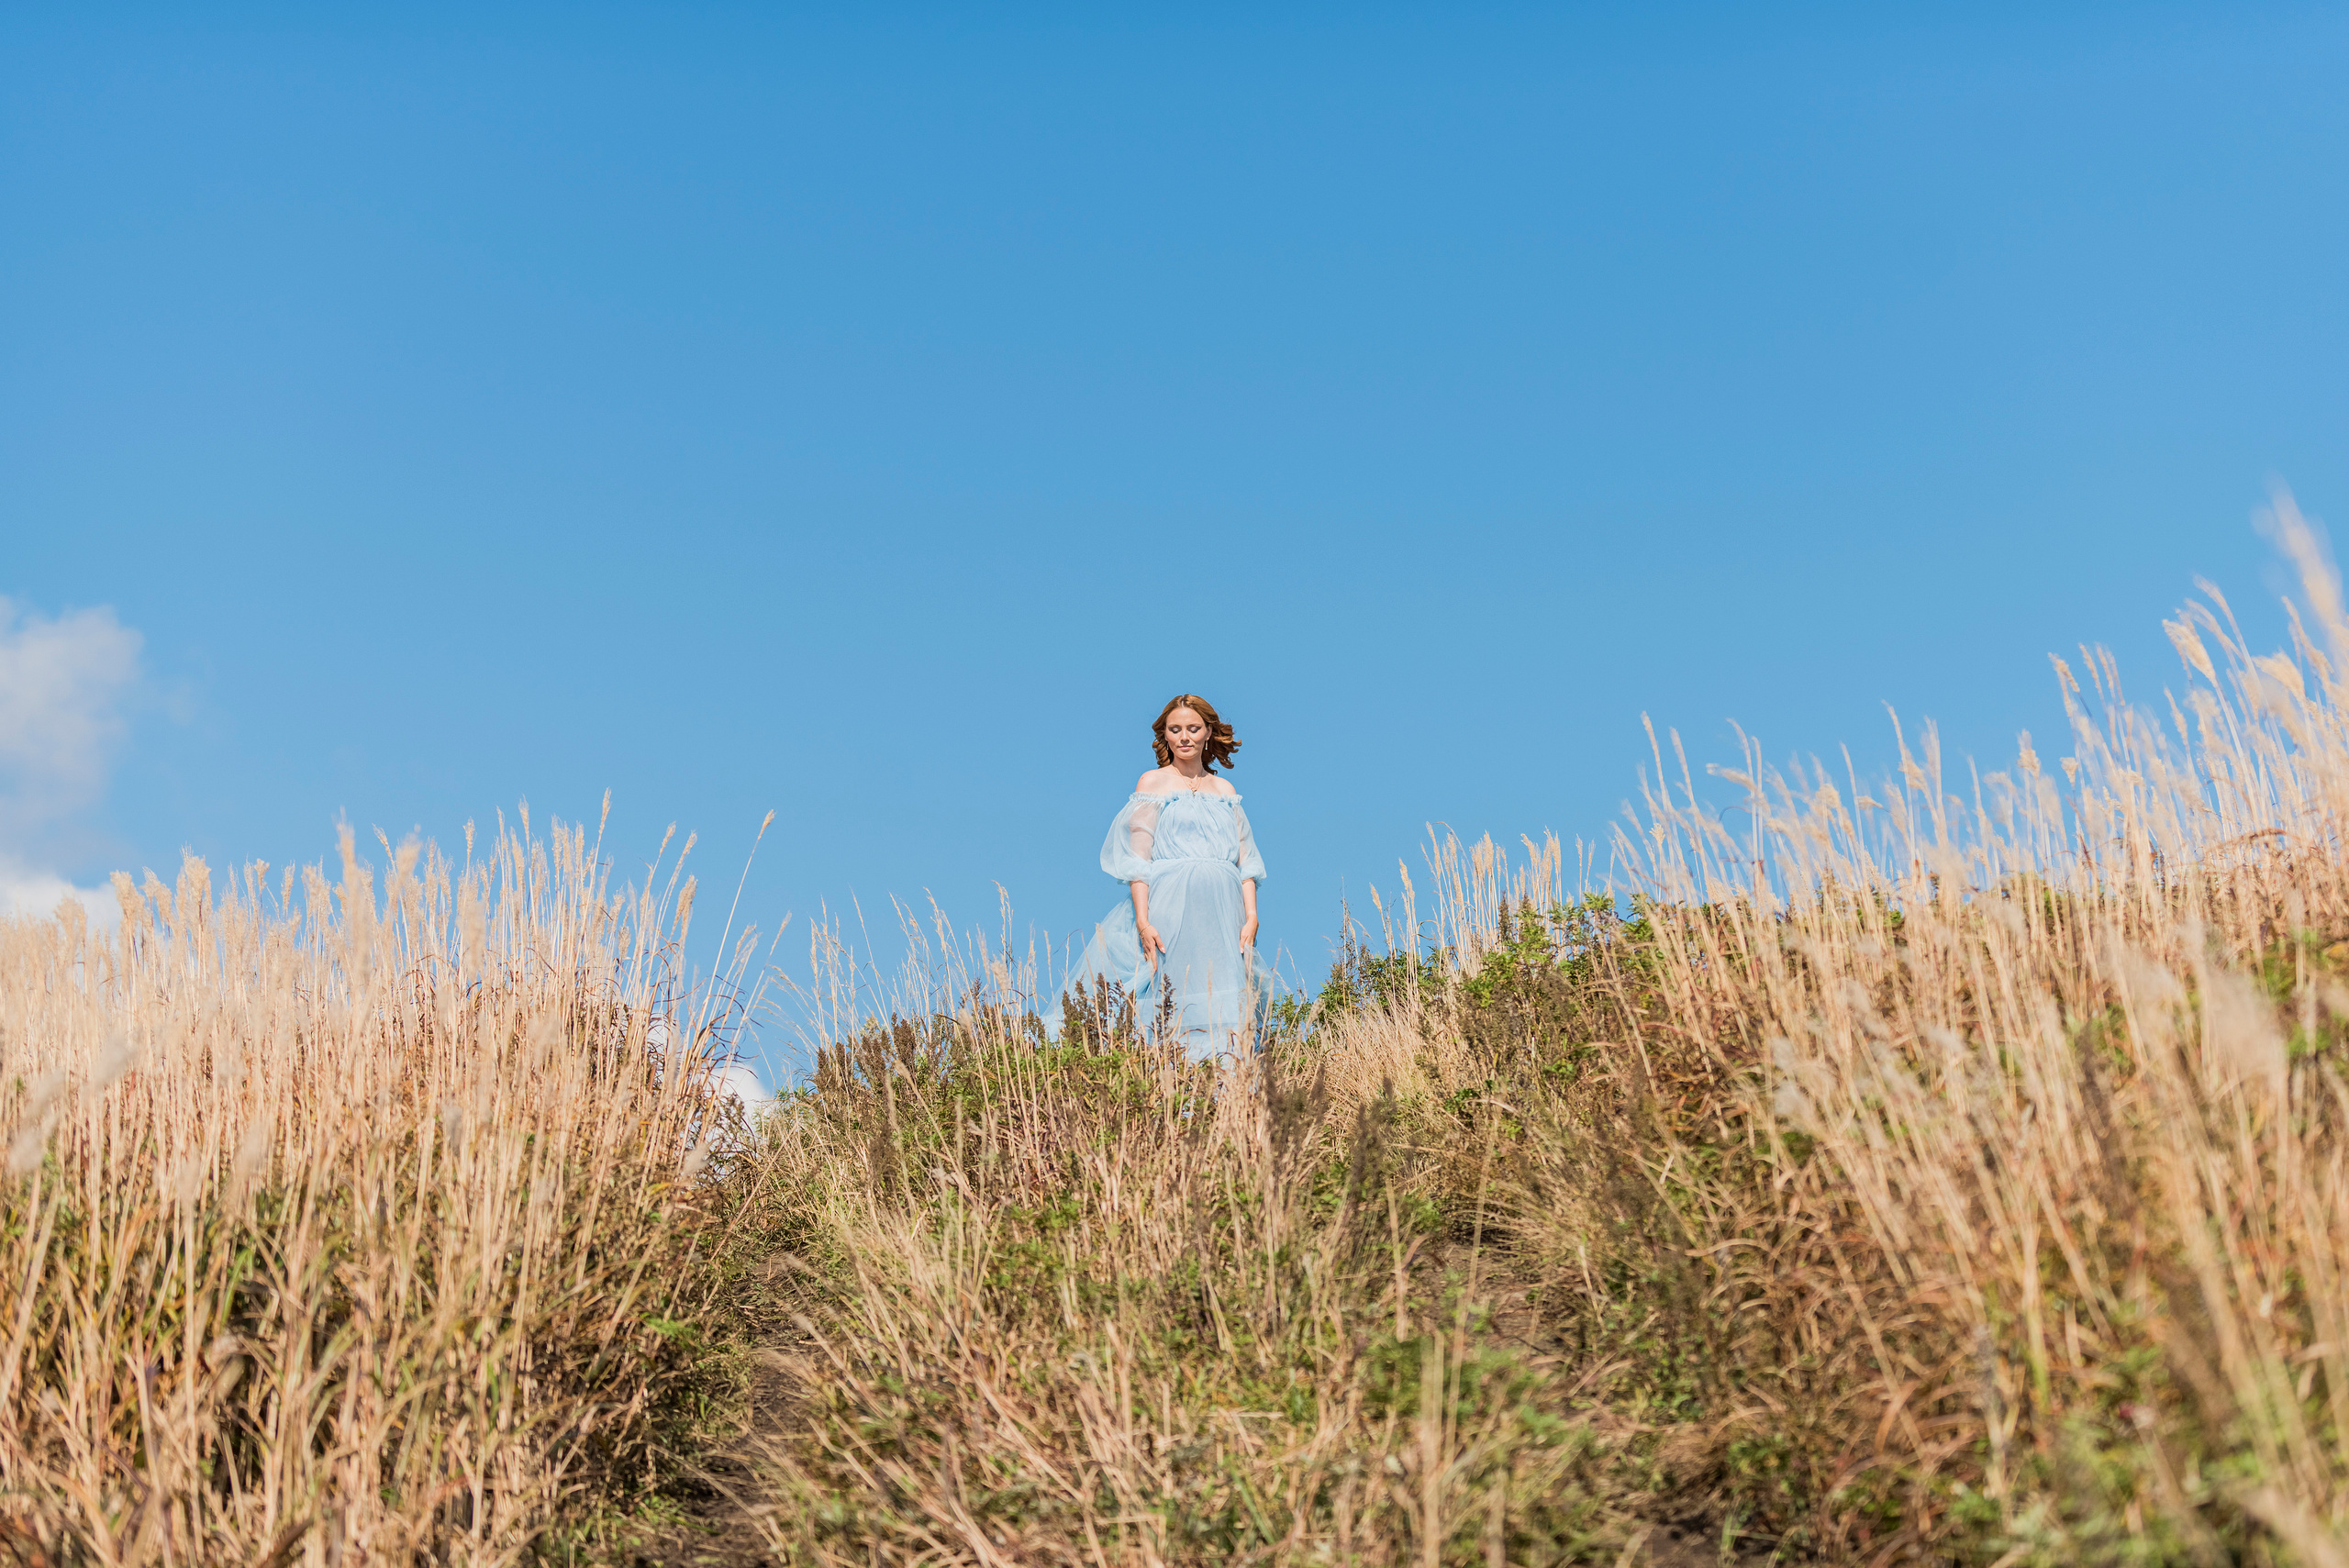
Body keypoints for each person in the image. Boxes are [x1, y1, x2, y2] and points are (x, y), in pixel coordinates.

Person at [1066, 695, 1267, 1060]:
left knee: (1224, 999)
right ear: (1165, 735)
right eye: (1175, 730)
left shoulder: (1226, 792)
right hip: (1169, 908)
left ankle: (1226, 1092)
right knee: (1170, 993)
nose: (1184, 737)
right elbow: (1137, 860)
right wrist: (1143, 921)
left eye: (1193, 728)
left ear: (1208, 732)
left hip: (1224, 914)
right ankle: (1167, 1085)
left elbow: (1246, 863)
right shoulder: (1153, 782)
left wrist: (1252, 916)